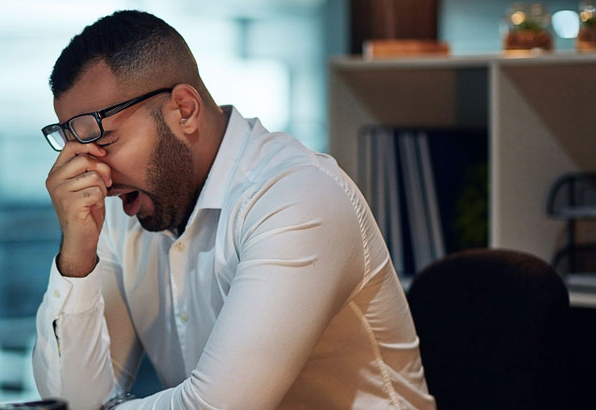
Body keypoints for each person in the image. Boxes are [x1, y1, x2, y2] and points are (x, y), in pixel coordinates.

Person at [33, 10, 435, 410]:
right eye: (79, 151)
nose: (95, 173)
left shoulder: (297, 196)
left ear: (185, 110)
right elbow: (71, 402)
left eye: (107, 141)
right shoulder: (123, 209)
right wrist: (77, 259)